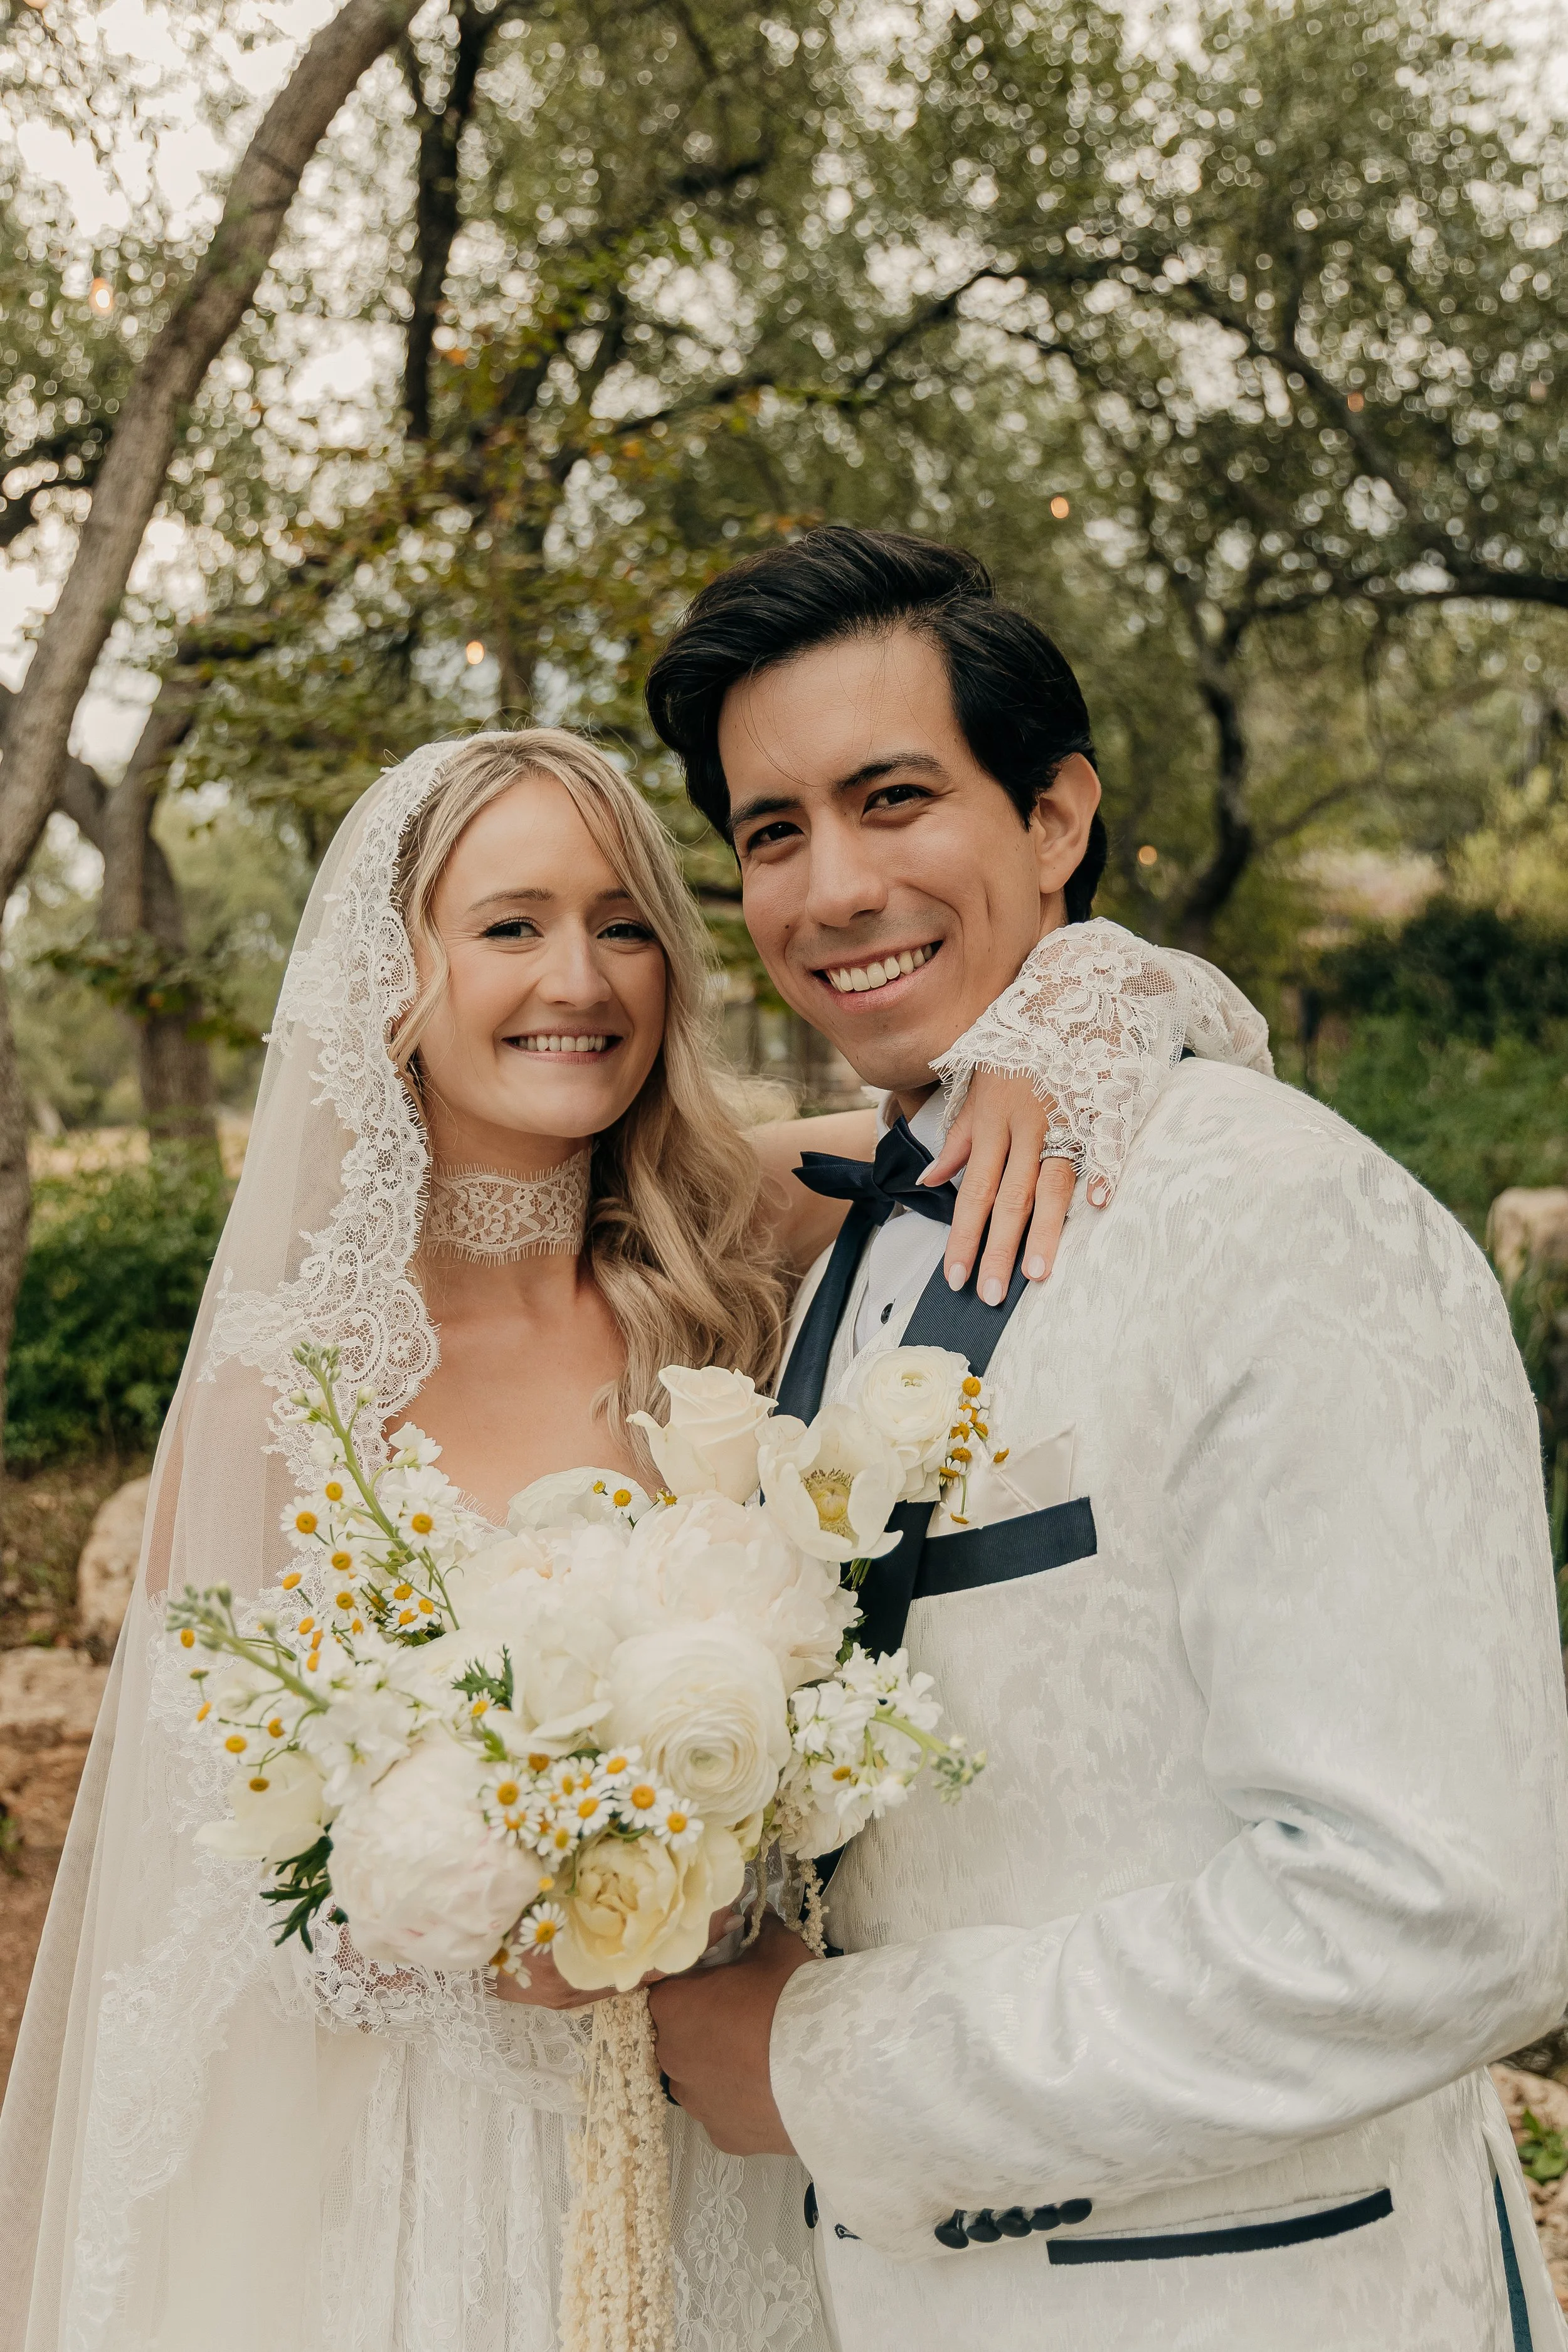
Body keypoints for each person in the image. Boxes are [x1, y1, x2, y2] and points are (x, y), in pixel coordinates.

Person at [0, 724, 1245, 2352]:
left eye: (627, 921)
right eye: (511, 924)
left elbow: (1200, 1015)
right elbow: (201, 1892)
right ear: (396, 974)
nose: (577, 976)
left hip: (738, 2138)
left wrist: (1042, 1048)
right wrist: (459, 1879)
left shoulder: (743, 1235)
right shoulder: (281, 1389)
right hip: (427, 2199)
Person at [642, 524, 1568, 2352]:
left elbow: (1446, 1913)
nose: (831, 886)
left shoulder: (1290, 1218)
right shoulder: (856, 1214)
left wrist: (824, 2065)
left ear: (1054, 819)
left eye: (891, 797)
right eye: (770, 832)